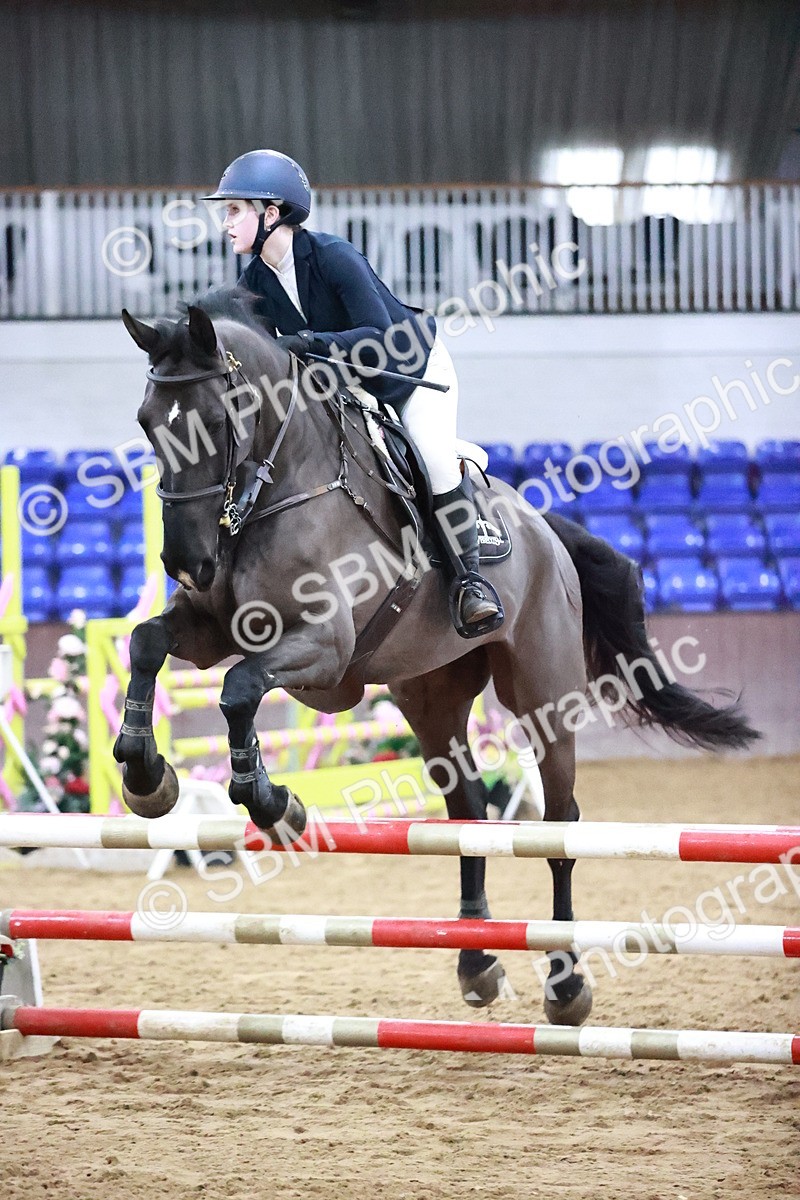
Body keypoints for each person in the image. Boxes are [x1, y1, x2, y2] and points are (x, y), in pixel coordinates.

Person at [204, 149, 502, 635]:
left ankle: (470, 583)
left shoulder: (334, 257)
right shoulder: (254, 283)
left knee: (433, 458)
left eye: (235, 209)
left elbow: (380, 341)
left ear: (271, 214)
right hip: (346, 388)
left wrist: (307, 342)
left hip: (409, 375)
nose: (226, 222)